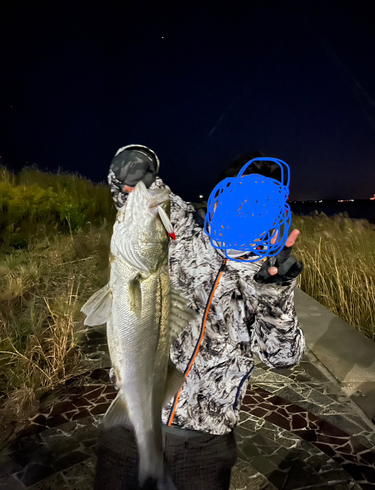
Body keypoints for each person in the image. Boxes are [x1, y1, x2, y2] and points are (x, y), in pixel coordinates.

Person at [94, 145, 305, 490]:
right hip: (131, 418)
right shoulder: (181, 229)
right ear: (223, 191)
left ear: (276, 209)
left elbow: (281, 357)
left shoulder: (268, 273)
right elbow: (138, 195)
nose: (250, 206)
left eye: (263, 199)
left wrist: (276, 292)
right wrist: (132, 167)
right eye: (244, 192)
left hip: (204, 442)